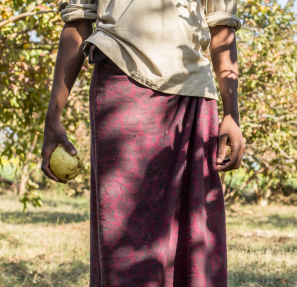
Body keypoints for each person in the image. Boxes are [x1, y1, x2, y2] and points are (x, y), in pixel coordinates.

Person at [41, 0, 245, 286]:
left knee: (192, 233)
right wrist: (53, 118)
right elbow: (78, 21)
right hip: (122, 85)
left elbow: (221, 25)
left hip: (193, 94)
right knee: (125, 239)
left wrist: (232, 115)